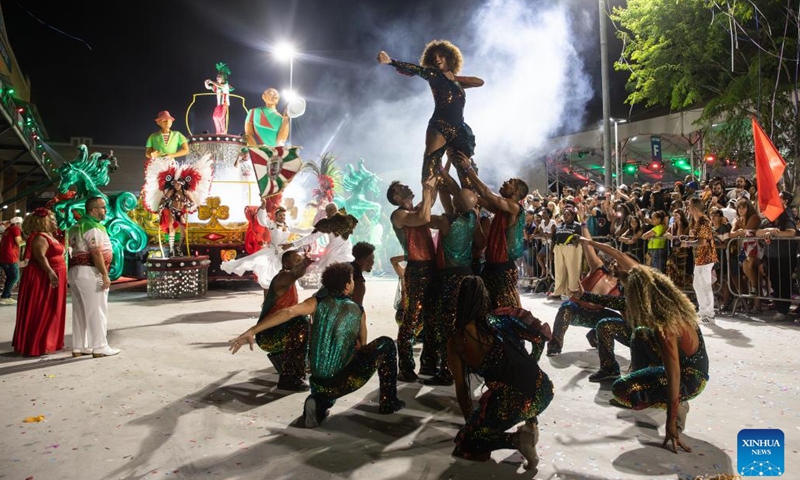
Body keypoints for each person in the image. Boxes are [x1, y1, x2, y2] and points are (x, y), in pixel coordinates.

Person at [229, 263, 405, 428]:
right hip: (345, 381)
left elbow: (288, 312)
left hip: (318, 382)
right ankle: (388, 403)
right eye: (352, 280)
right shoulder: (358, 310)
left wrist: (252, 330)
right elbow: (362, 347)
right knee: (387, 344)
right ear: (346, 286)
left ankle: (318, 402)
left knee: (324, 387)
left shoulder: (316, 302)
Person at [448, 276, 553, 470]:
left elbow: (462, 389)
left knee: (467, 442)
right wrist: (532, 363)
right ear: (485, 298)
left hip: (512, 401)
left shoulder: (457, 341)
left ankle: (518, 440)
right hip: (544, 390)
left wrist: (471, 426)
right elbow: (539, 338)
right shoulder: (502, 318)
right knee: (516, 385)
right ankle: (531, 424)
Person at [610, 266, 709, 454]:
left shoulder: (665, 325)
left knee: (621, 389)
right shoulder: (671, 305)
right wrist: (621, 273)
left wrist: (671, 422)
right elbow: (639, 275)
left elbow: (674, 374)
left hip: (691, 380)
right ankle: (654, 392)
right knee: (640, 334)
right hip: (688, 368)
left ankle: (679, 404)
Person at [378, 41, 484, 182]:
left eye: (441, 56)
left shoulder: (457, 83)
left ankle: (470, 195)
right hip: (440, 127)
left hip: (459, 130)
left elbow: (480, 82)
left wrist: (455, 78)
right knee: (430, 171)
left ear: (449, 57)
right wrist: (391, 61)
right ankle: (429, 194)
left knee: (467, 171)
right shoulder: (433, 75)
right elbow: (415, 69)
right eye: (434, 57)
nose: (437, 59)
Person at [425, 181, 485, 385]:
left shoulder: (445, 220)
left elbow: (423, 219)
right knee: (465, 322)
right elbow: (480, 242)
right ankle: (467, 363)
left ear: (456, 204)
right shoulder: (472, 218)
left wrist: (429, 193)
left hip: (450, 277)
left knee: (447, 325)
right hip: (468, 275)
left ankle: (447, 371)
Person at [454, 152, 527, 308]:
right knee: (490, 308)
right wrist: (464, 177)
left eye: (510, 182)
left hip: (502, 268)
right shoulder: (502, 209)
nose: (505, 182)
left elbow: (485, 192)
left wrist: (469, 169)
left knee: (504, 310)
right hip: (492, 266)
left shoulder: (514, 207)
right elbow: (478, 198)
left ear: (515, 192)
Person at [387, 175, 438, 382]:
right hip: (416, 269)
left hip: (431, 267)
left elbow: (430, 201)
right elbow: (424, 218)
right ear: (396, 197)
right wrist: (426, 189)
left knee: (432, 317)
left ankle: (429, 363)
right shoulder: (398, 215)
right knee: (411, 318)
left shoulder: (413, 210)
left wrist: (439, 175)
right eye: (402, 187)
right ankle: (406, 367)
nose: (408, 186)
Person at [251, 249, 315, 391]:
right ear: (286, 264)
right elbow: (294, 273)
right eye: (296, 261)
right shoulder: (283, 277)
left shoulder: (290, 280)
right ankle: (289, 378)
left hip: (280, 330)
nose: (299, 263)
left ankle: (295, 366)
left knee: (308, 323)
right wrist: (305, 263)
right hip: (268, 335)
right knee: (301, 323)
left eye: (300, 260)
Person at [67, 196, 119, 358]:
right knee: (97, 310)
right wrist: (104, 274)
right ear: (94, 210)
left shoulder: (76, 225)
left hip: (75, 271)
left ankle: (79, 346)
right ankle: (100, 346)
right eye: (103, 207)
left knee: (80, 311)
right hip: (90, 271)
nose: (105, 210)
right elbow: (95, 252)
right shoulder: (92, 226)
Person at [11, 208, 67, 356]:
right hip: (42, 277)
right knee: (43, 308)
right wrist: (50, 272)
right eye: (52, 219)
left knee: (52, 308)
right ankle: (39, 343)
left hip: (55, 274)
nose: (55, 222)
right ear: (43, 222)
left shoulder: (50, 235)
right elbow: (41, 257)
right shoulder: (39, 237)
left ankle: (50, 340)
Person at [685, 198, 717, 324]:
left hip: (706, 258)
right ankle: (703, 311)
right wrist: (692, 236)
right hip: (700, 258)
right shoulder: (697, 222)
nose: (688, 209)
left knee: (705, 286)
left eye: (689, 207)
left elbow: (702, 242)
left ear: (695, 209)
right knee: (697, 285)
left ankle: (709, 315)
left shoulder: (703, 222)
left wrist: (687, 243)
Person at [0, 216, 24, 305]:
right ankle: (5, 297)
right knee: (14, 277)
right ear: (18, 224)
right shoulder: (16, 229)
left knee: (10, 277)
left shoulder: (8, 229)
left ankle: (6, 296)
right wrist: (29, 241)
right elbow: (19, 242)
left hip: (4, 256)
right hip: (10, 257)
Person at [204, 62, 233, 134]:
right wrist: (206, 83)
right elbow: (209, 87)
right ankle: (218, 132)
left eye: (219, 77)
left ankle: (223, 132)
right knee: (215, 117)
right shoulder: (216, 86)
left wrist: (212, 81)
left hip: (225, 103)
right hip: (219, 104)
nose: (217, 78)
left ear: (223, 78)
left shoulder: (226, 84)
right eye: (217, 77)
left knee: (221, 117)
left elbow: (221, 86)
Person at [350, 242, 376, 306]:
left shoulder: (345, 267)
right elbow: (356, 308)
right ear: (367, 260)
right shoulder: (359, 281)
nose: (373, 262)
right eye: (373, 258)